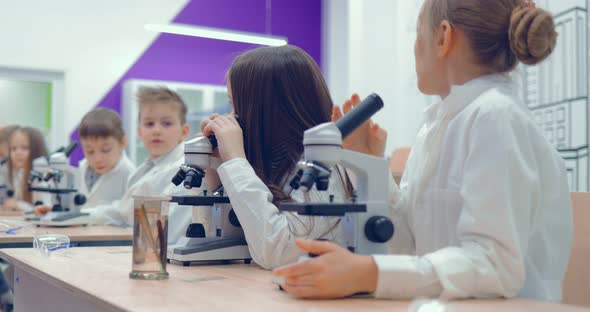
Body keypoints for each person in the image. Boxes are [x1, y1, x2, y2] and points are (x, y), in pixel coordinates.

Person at [273, 0, 573, 302]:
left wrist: (369, 273)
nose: (414, 49)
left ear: (443, 37)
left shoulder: (495, 116)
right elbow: (408, 245)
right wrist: (370, 164)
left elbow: (496, 266)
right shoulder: (437, 127)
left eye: (418, 35)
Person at [201, 45, 351, 269]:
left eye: (237, 105)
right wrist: (214, 168)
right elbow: (203, 237)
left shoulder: (325, 168)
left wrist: (234, 161)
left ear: (264, 109)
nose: (231, 117)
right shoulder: (274, 162)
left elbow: (279, 252)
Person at [90, 87, 192, 244]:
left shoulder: (184, 168)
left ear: (184, 131)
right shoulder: (146, 168)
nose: (156, 130)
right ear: (139, 132)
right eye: (149, 124)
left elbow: (164, 226)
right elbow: (123, 210)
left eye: (166, 123)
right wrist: (80, 215)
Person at [35, 108, 135, 216]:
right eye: (90, 151)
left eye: (105, 150)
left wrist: (82, 214)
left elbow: (122, 210)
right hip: (85, 230)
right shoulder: (83, 168)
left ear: (123, 142)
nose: (98, 159)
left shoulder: (130, 174)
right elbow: (77, 205)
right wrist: (58, 210)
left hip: (111, 232)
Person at [2, 127, 50, 212]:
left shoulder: (43, 177)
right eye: (13, 149)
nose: (18, 153)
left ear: (37, 150)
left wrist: (18, 205)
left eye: (24, 148)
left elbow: (45, 209)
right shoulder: (19, 175)